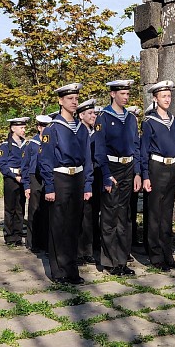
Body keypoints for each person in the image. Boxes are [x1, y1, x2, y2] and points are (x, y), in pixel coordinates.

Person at [39, 83, 94, 284]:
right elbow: (45, 159)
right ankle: (58, 272)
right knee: (59, 226)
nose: (74, 102)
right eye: (70, 99)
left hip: (77, 178)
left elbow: (87, 158)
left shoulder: (81, 129)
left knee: (73, 226)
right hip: (60, 178)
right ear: (60, 101)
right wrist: (50, 186)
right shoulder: (52, 129)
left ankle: (72, 270)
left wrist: (87, 184)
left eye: (76, 99)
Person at [93, 80, 140, 275]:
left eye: (127, 93)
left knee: (125, 216)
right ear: (113, 94)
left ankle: (122, 260)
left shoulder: (130, 118)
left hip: (128, 167)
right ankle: (111, 262)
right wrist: (106, 174)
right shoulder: (103, 118)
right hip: (111, 168)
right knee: (110, 215)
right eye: (122, 93)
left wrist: (137, 172)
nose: (126, 97)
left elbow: (136, 146)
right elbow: (99, 149)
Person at [140, 81, 175, 270]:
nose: (167, 99)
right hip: (156, 168)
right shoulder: (149, 122)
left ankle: (168, 255)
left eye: (169, 96)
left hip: (172, 168)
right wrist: (145, 175)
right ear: (155, 98)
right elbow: (143, 151)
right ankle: (156, 256)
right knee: (154, 214)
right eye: (163, 96)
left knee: (167, 215)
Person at [22, 115, 52, 254]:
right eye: (43, 126)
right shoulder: (31, 144)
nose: (45, 129)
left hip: (47, 177)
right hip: (34, 177)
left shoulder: (50, 142)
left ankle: (45, 242)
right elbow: (25, 165)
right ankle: (32, 242)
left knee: (46, 211)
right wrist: (26, 185)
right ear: (39, 127)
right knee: (34, 210)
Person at [76, 100, 101, 265]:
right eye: (90, 113)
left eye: (94, 113)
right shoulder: (78, 133)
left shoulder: (96, 132)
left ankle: (90, 248)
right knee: (81, 215)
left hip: (96, 176)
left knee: (93, 213)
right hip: (82, 177)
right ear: (81, 115)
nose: (93, 116)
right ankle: (80, 251)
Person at [0, 116, 29, 247]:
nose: (24, 130)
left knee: (20, 207)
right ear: (13, 129)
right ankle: (9, 235)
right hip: (11, 179)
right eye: (21, 127)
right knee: (10, 208)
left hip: (22, 178)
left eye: (24, 127)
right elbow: (2, 165)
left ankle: (18, 234)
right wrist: (13, 176)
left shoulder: (25, 145)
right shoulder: (5, 146)